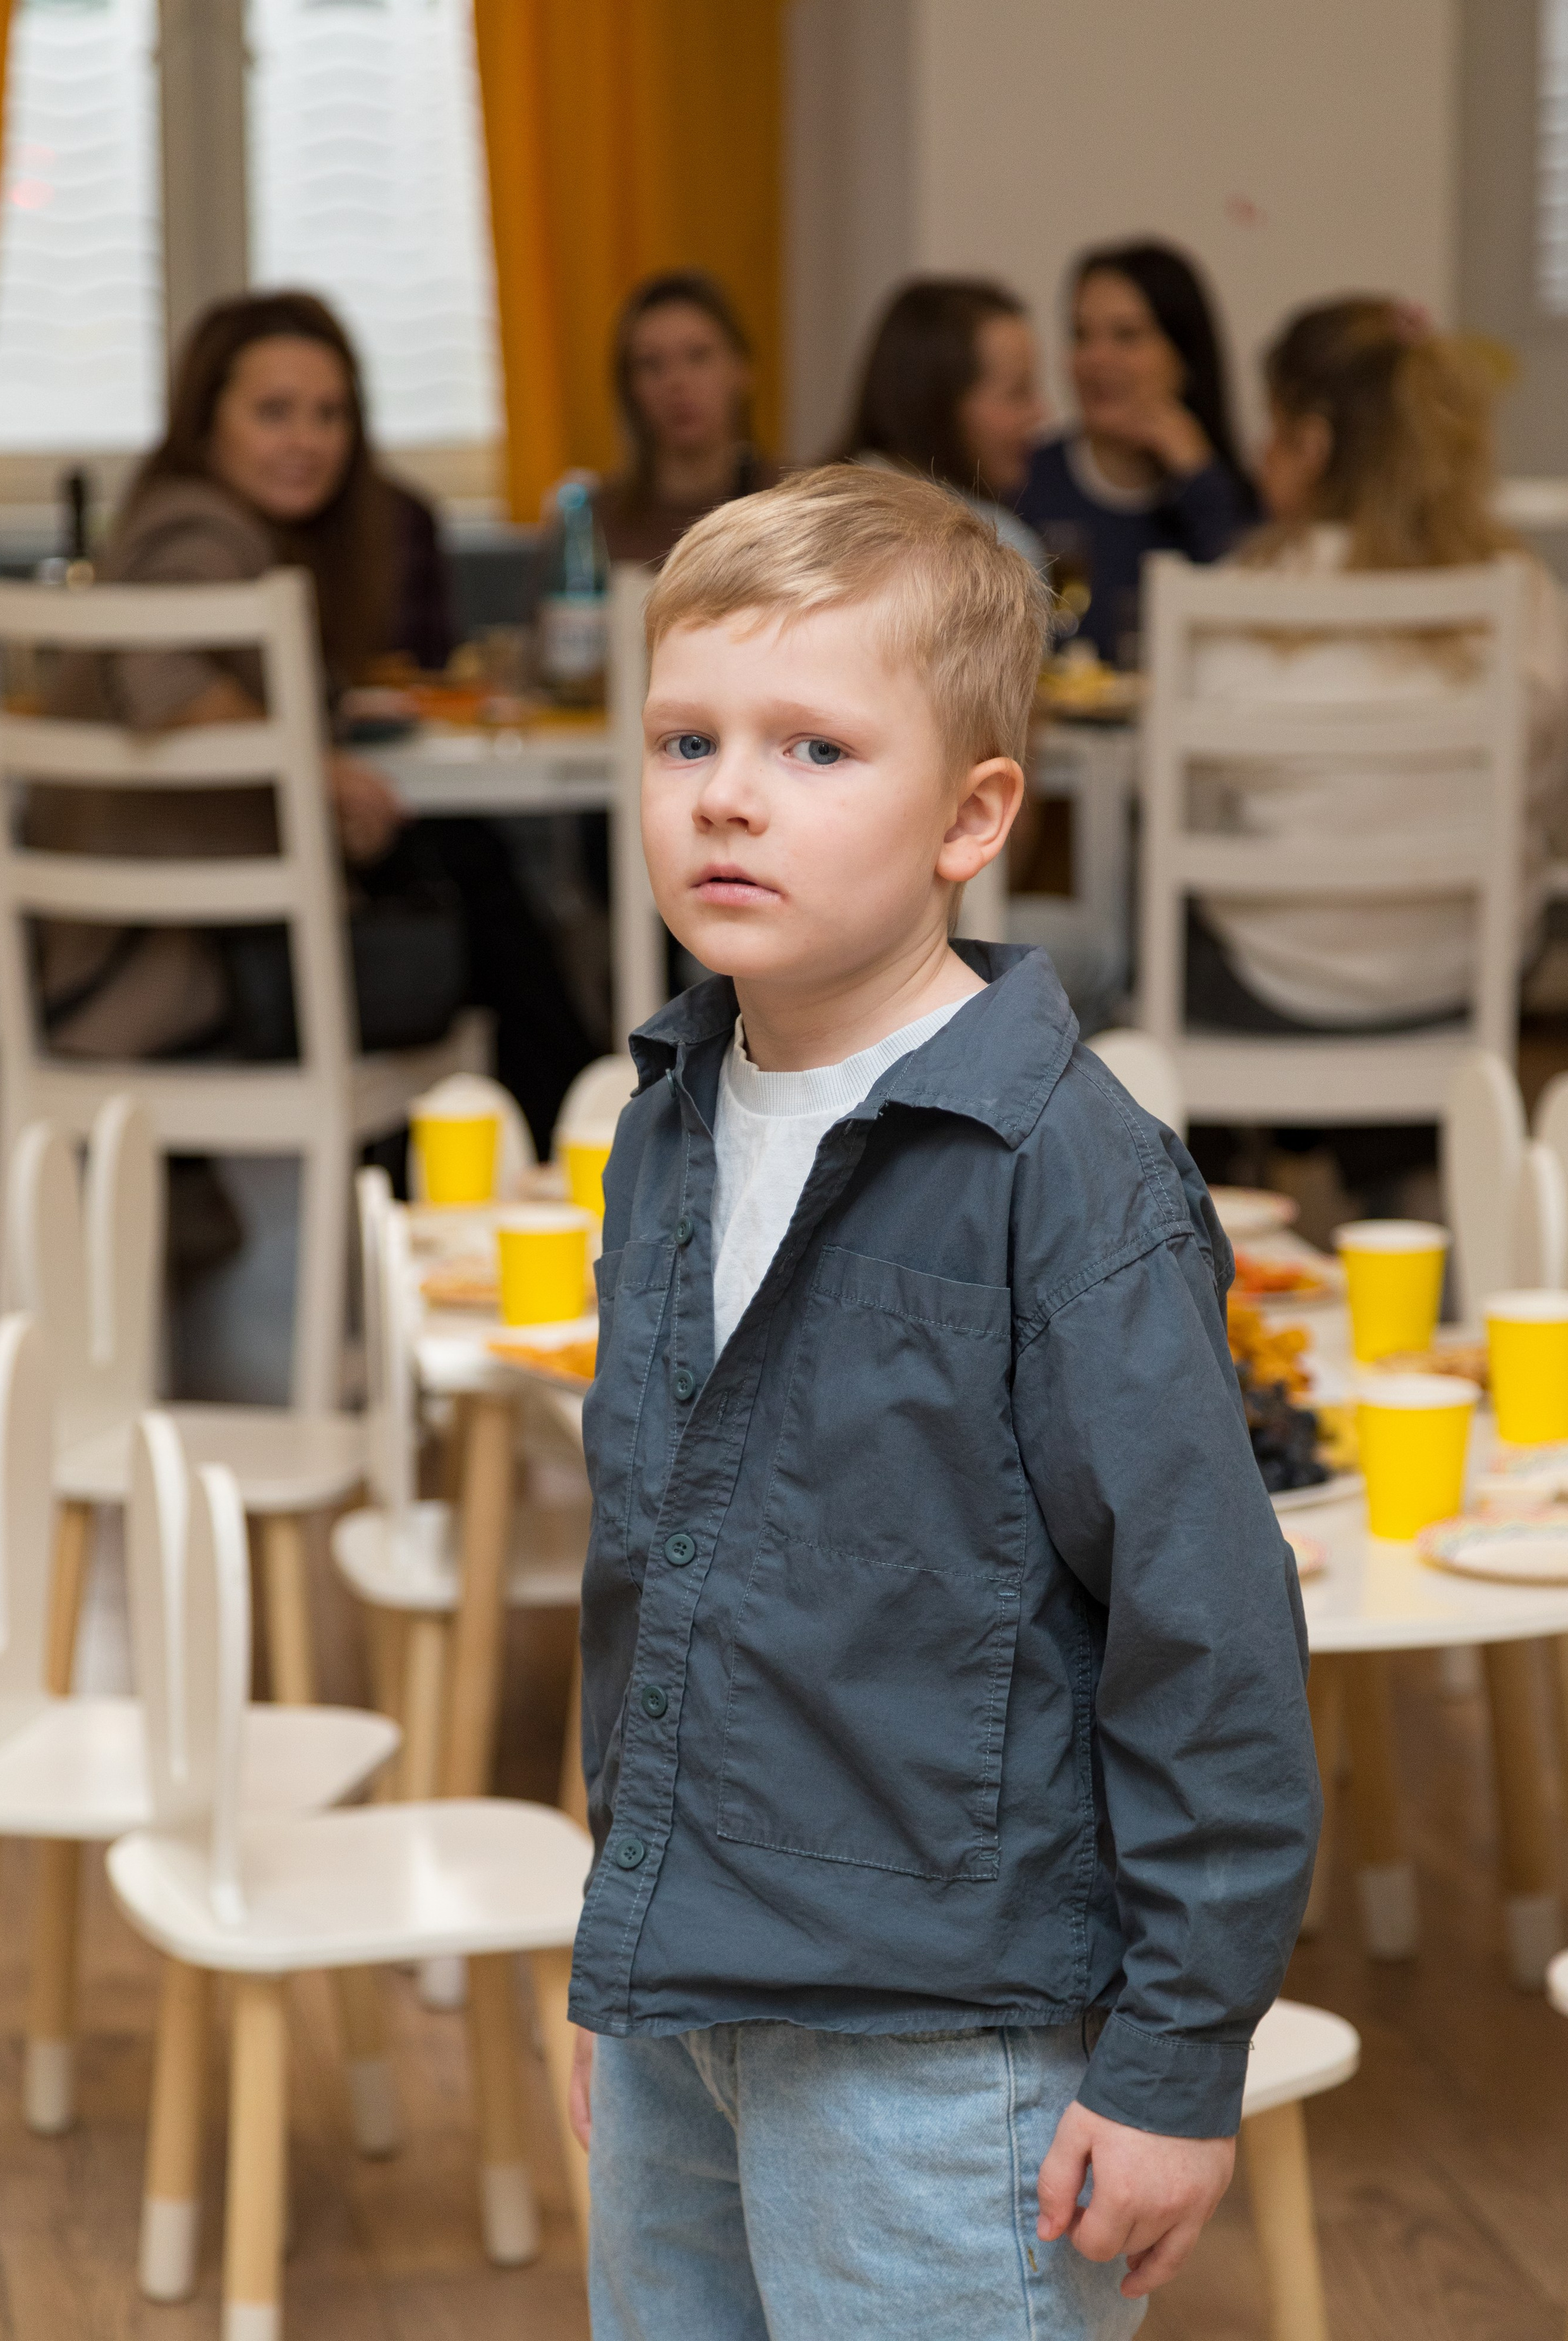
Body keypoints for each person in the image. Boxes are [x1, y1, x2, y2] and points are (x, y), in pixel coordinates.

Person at [566, 466, 1320, 2338]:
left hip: (942, 2045)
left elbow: (1205, 1628)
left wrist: (1175, 2055)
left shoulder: (1065, 1173)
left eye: (814, 747)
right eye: (686, 739)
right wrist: (620, 1938)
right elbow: (651, 1578)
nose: (727, 793)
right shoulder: (663, 1124)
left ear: (971, 815)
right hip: (680, 1997)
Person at [45, 290, 593, 1152]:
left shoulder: (200, 526)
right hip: (160, 976)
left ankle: (558, 1150)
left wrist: (323, 719)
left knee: (461, 873)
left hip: (134, 956)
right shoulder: (198, 531)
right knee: (480, 901)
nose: (308, 440)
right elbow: (160, 676)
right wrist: (320, 770)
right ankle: (589, 1152)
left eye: (330, 414)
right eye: (274, 412)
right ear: (205, 421)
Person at [1188, 295, 1568, 1038]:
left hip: (1277, 982)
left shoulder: (1228, 600)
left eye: (1272, 428)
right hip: (1471, 976)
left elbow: (1190, 809)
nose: (1260, 452)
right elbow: (1547, 797)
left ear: (1312, 444)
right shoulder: (1523, 591)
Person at [1018, 239, 1258, 663]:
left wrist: (1198, 477)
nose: (1095, 359)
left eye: (1126, 336)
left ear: (1184, 358)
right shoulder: (1026, 478)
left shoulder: (1226, 493)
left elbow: (1248, 621)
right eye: (1081, 336)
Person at [839, 274, 1048, 565]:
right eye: (1017, 392)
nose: (1040, 412)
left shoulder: (815, 510)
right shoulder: (995, 549)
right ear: (938, 401)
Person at [593, 269, 780, 566]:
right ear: (630, 388)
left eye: (698, 356)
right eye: (651, 364)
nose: (676, 382)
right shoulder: (592, 523)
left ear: (742, 369)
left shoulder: (791, 507)